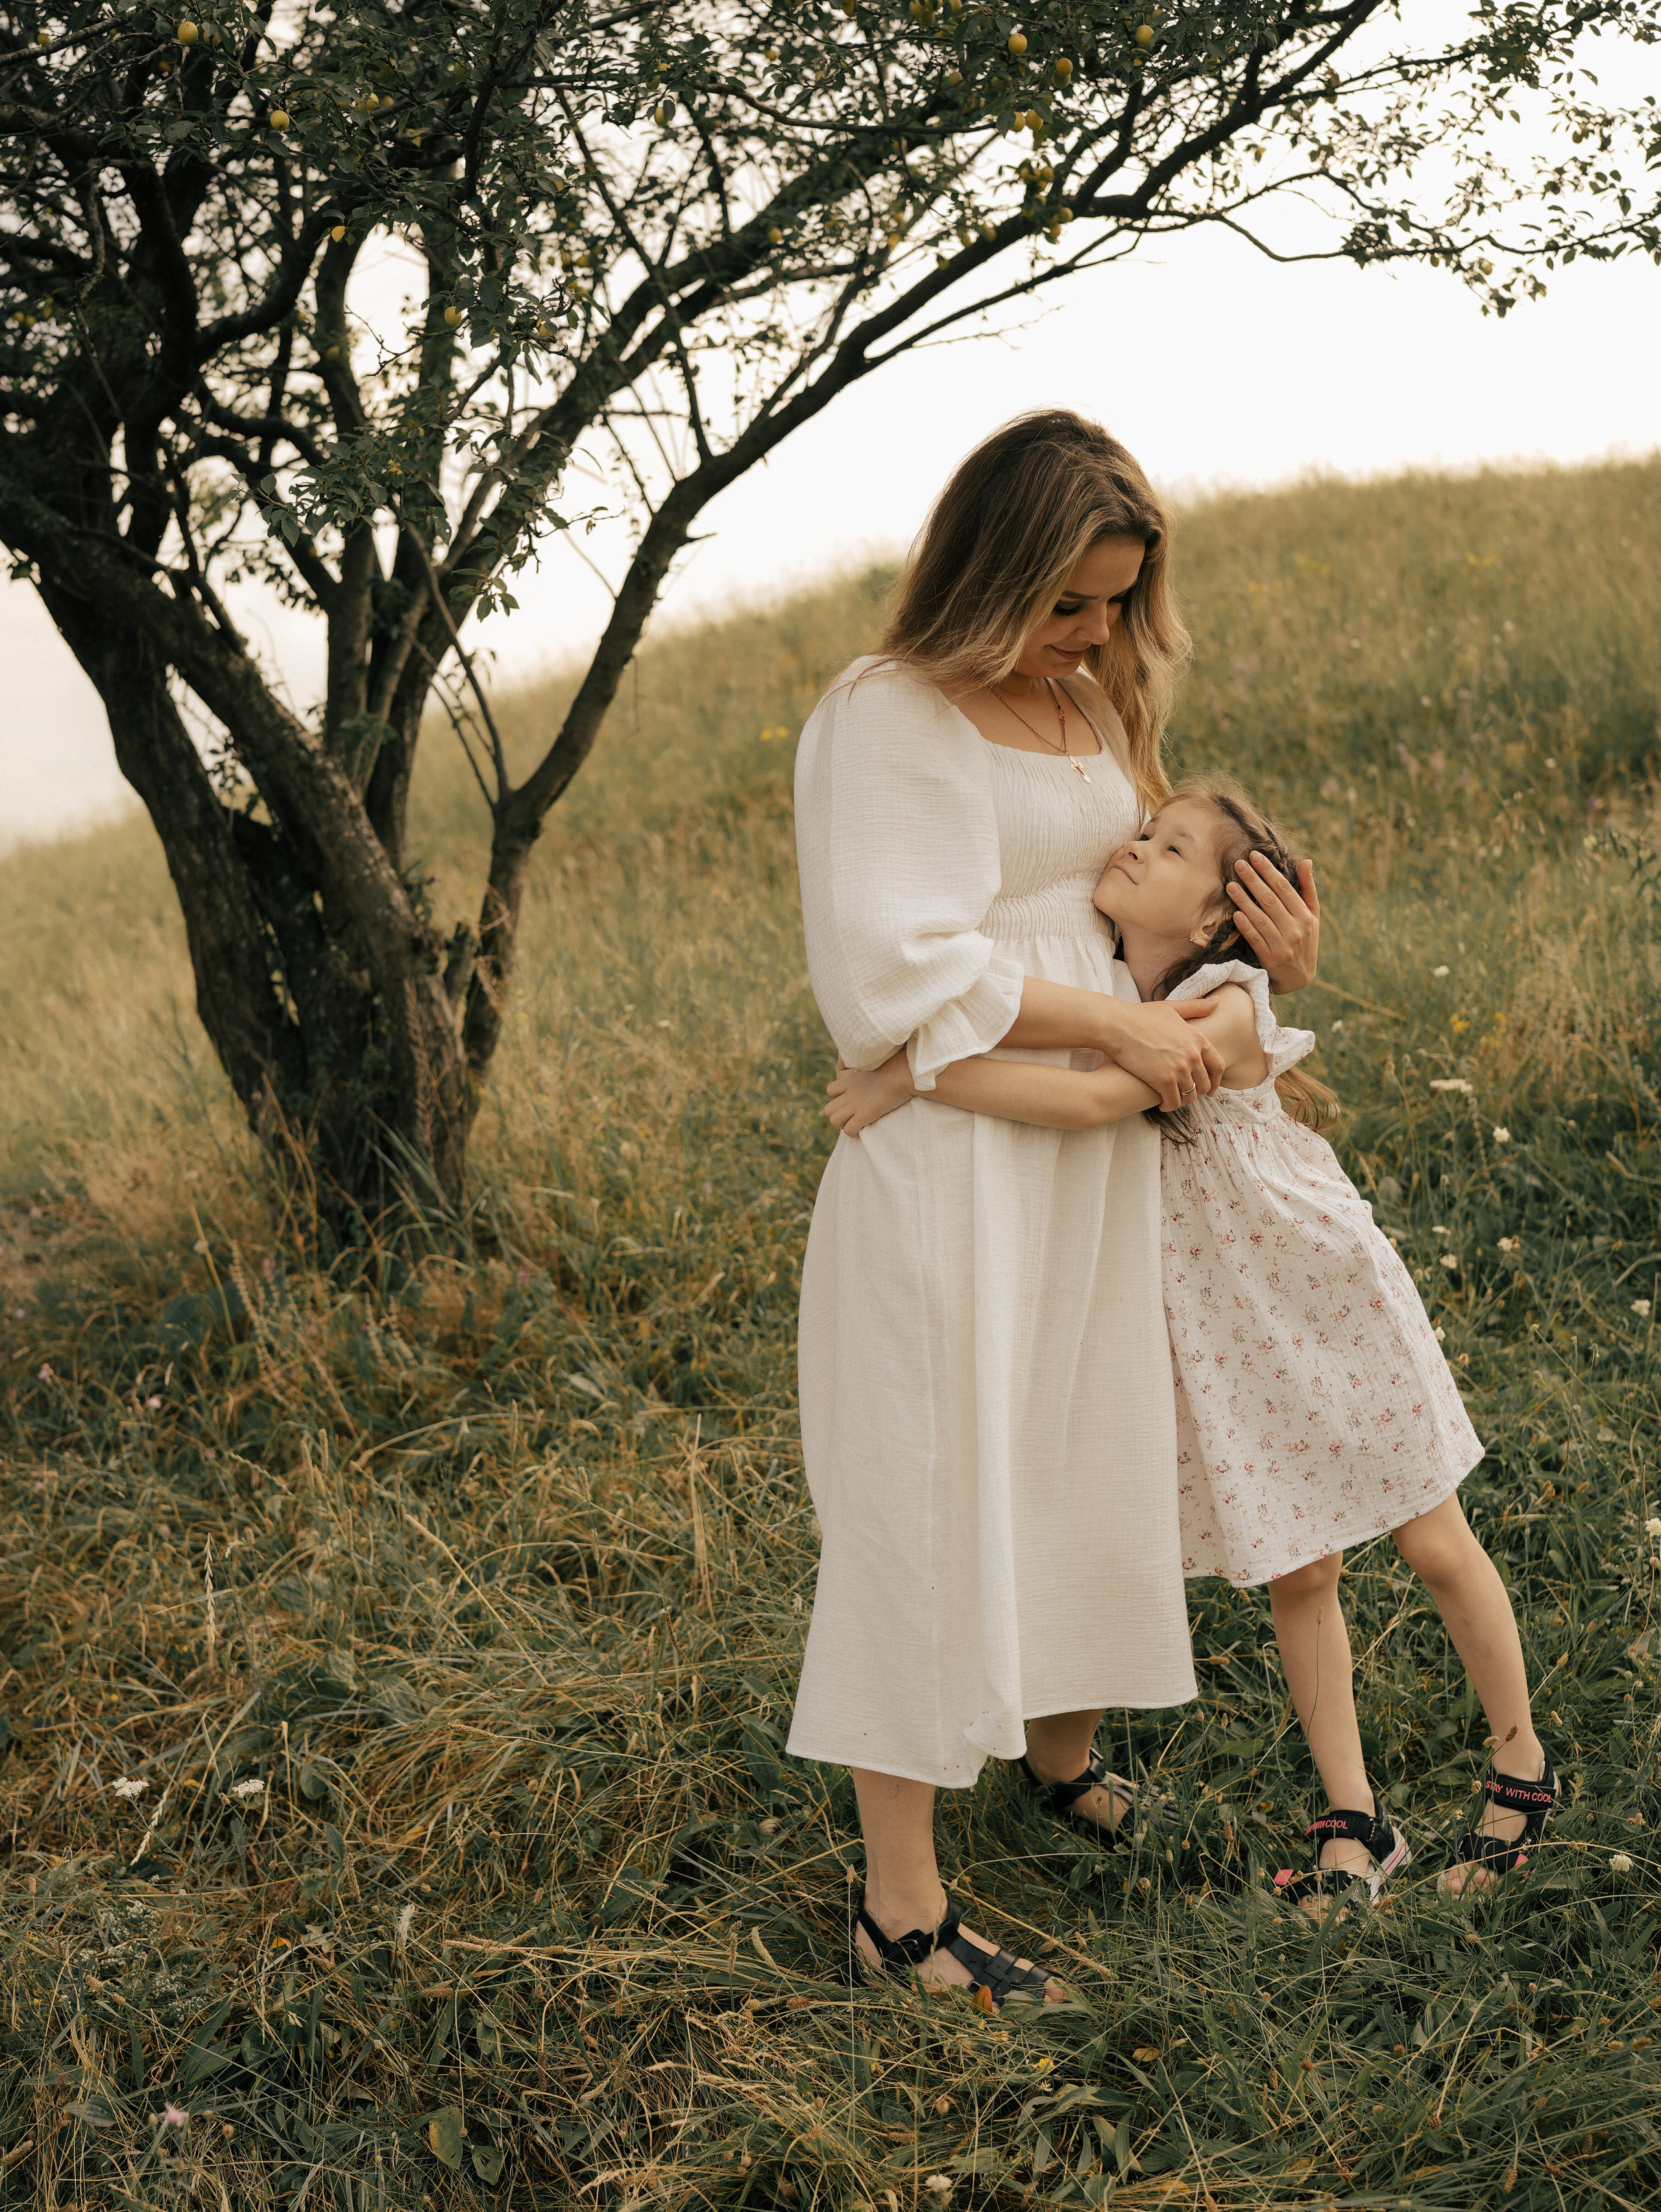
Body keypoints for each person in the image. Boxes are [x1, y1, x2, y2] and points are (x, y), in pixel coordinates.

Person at [787, 412, 1320, 2006]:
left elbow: (1134, 902)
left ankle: (1057, 1751)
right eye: (1064, 601)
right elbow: (895, 968)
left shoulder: (1086, 699)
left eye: (1110, 604)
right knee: (931, 1485)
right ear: (985, 569)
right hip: (958, 1160)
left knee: (1079, 1446)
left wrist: (1248, 971)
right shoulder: (882, 716)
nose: (1089, 635)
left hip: (1091, 1139)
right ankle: (898, 1905)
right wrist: (1116, 1033)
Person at [830, 776, 1558, 1915]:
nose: (1131, 846)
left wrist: (915, 1074)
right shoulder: (1105, 989)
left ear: (1220, 915)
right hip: (1228, 1339)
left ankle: (1522, 1765)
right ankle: (1354, 1818)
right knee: (1300, 1568)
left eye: (1167, 846)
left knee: (1434, 1536)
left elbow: (1085, 1106)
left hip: (1321, 1297)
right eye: (1140, 830)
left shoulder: (1223, 1002)